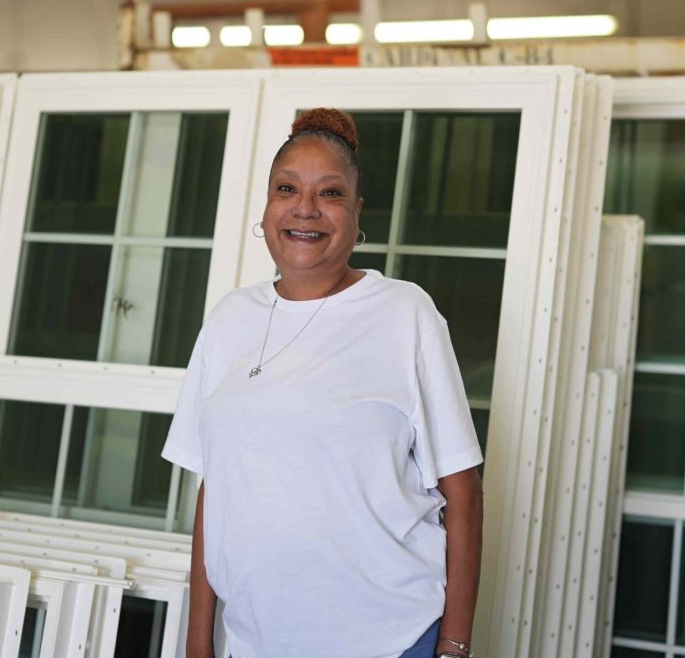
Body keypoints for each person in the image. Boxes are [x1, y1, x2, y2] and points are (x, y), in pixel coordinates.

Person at [162, 108, 484, 658]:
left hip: (390, 638)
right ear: (265, 208)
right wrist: (198, 643)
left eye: (330, 193)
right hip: (256, 641)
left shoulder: (404, 313)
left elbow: (463, 492)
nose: (305, 209)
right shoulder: (229, 318)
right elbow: (216, 491)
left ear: (357, 214)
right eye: (287, 188)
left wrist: (453, 646)